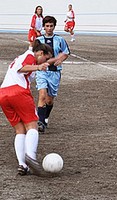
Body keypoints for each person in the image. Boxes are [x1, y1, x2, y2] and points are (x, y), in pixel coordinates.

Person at [0, 40, 53, 175]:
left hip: (3, 94)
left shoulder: (25, 56)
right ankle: (31, 157)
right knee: (32, 126)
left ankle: (22, 165)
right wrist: (38, 67)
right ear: (40, 53)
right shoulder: (30, 56)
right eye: (45, 58)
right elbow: (22, 68)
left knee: (20, 130)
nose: (43, 62)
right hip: (18, 92)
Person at [36, 16, 70, 133]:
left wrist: (61, 59)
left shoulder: (59, 39)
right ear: (44, 27)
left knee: (49, 100)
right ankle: (40, 122)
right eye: (47, 26)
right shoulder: (39, 40)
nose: (49, 28)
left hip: (55, 73)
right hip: (42, 72)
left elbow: (65, 52)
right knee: (42, 95)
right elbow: (34, 55)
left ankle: (45, 117)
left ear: (54, 27)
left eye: (51, 26)